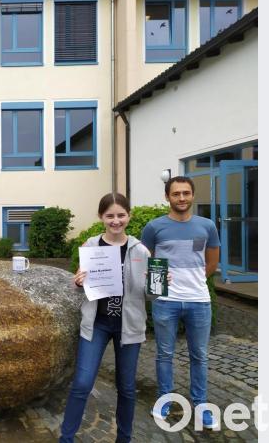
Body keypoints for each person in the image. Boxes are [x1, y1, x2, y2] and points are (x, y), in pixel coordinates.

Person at [59, 193, 150, 443]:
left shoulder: (140, 250)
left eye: (121, 215)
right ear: (101, 217)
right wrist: (78, 282)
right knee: (82, 383)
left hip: (128, 326)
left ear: (129, 216)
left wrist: (159, 283)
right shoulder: (91, 246)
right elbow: (83, 285)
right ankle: (66, 439)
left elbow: (148, 293)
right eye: (110, 215)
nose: (116, 221)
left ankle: (124, 438)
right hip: (97, 324)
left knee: (127, 388)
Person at [140, 176, 221, 429]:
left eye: (186, 193)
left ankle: (200, 405)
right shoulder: (154, 228)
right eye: (176, 194)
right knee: (164, 354)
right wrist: (162, 283)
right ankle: (165, 399)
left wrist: (193, 280)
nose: (182, 198)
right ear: (167, 197)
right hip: (166, 301)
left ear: (193, 195)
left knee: (200, 356)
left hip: (199, 301)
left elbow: (212, 264)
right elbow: (146, 262)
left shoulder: (207, 226)